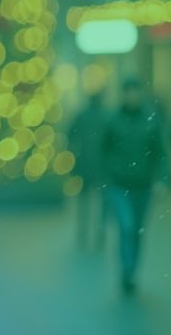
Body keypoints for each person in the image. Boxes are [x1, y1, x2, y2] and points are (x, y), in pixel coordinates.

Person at [100, 77, 166, 295]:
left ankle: (132, 270)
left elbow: (159, 152)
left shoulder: (150, 120)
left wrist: (161, 179)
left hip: (143, 186)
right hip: (120, 186)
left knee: (137, 230)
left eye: (134, 91)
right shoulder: (113, 120)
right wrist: (107, 176)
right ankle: (126, 271)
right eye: (127, 92)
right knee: (126, 226)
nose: (131, 96)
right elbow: (103, 150)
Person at [67, 91, 109, 250]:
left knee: (84, 201)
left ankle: (82, 231)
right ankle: (100, 232)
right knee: (102, 202)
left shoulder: (81, 116)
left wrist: (76, 153)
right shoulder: (107, 116)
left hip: (84, 165)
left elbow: (70, 135)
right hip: (102, 167)